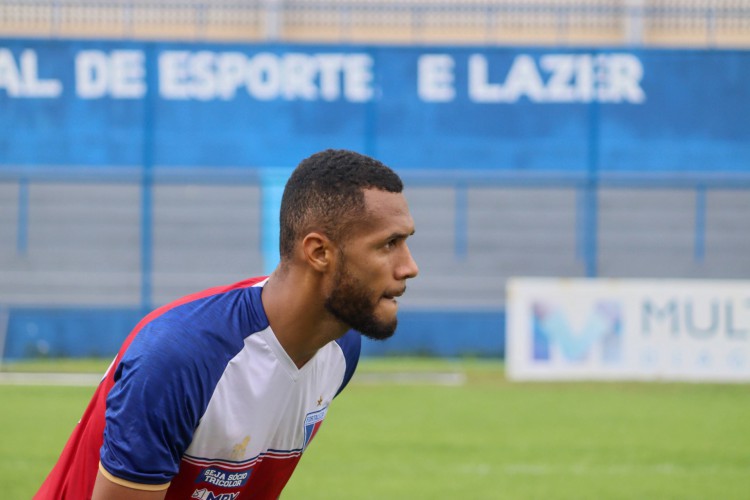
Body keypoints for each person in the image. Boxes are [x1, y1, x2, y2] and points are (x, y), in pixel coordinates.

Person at [35, 149, 419, 500]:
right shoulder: (177, 358)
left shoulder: (341, 347)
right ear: (319, 252)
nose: (409, 267)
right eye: (389, 244)